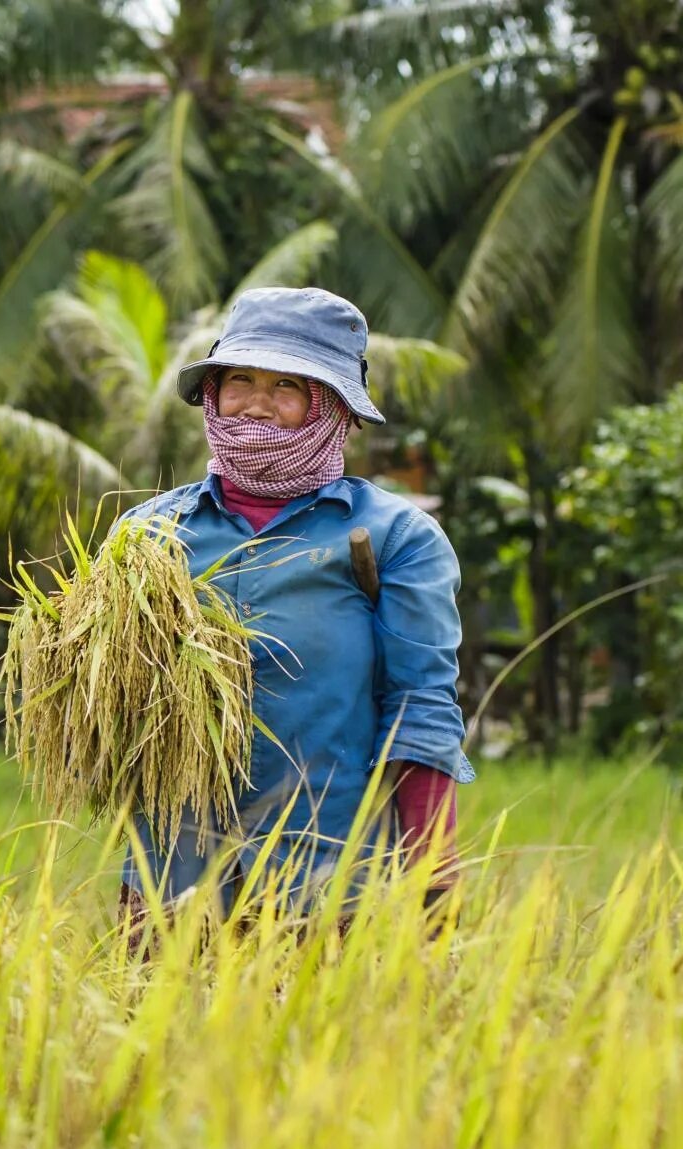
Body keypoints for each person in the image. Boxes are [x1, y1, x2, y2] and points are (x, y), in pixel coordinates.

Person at [120, 287, 470, 924]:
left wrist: (433, 874)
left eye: (288, 387)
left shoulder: (396, 538)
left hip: (328, 880)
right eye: (241, 380)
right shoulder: (148, 535)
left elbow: (421, 710)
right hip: (172, 878)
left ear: (335, 410)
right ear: (212, 393)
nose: (257, 404)